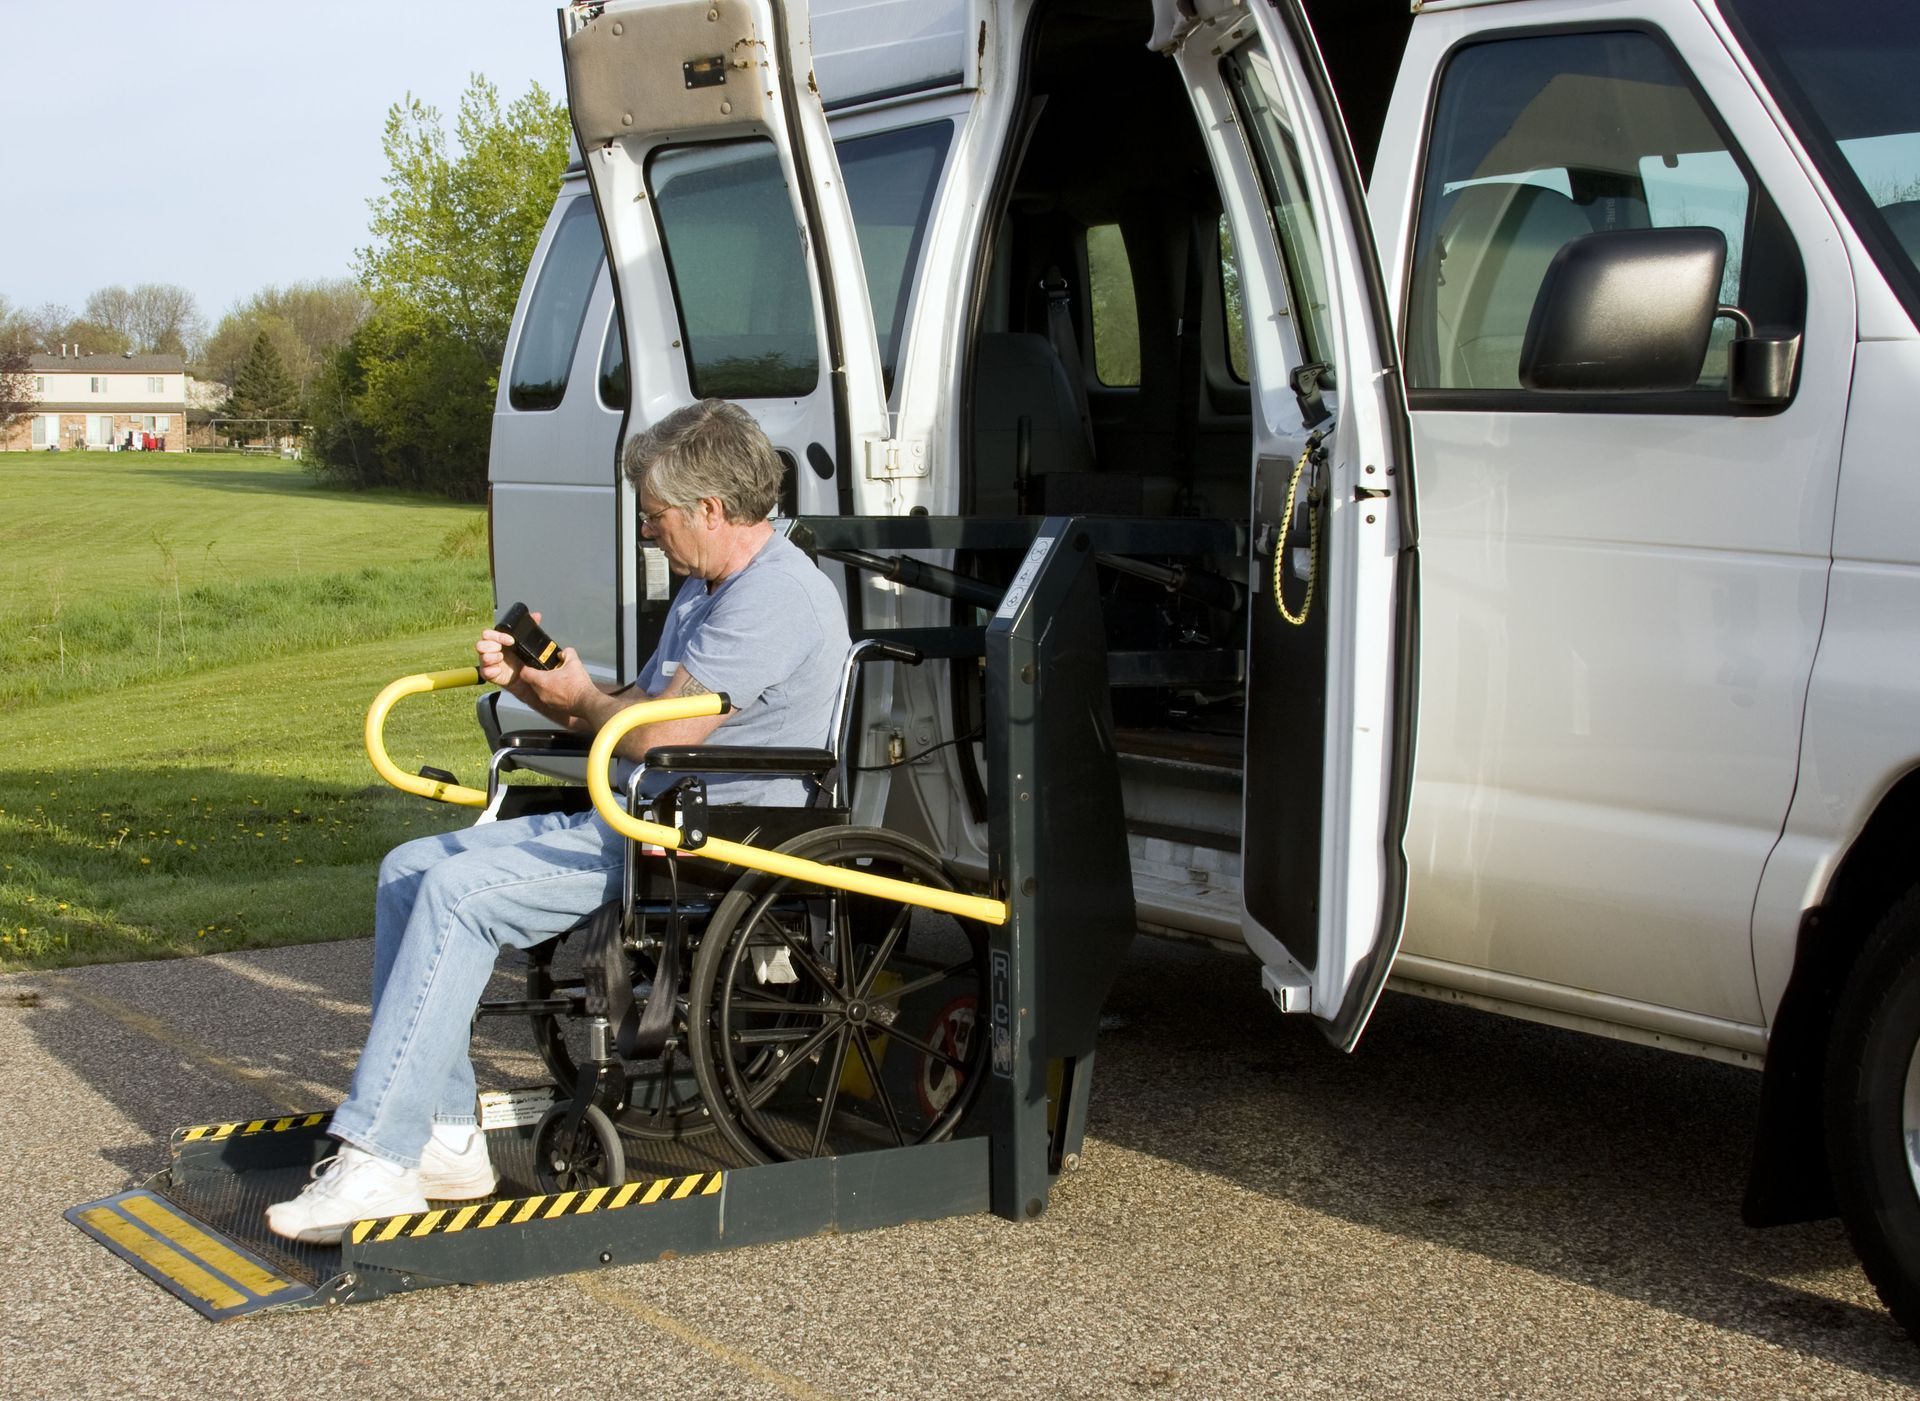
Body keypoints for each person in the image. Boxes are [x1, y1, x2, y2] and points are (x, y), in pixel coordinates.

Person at [267, 399, 850, 1243]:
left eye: (655, 517)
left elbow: (650, 732)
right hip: (646, 809)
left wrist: (579, 699)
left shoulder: (774, 597)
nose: (651, 535)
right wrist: (547, 688)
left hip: (705, 836)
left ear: (711, 511)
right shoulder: (708, 588)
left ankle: (377, 1160)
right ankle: (447, 1136)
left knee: (461, 894)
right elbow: (632, 713)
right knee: (407, 871)